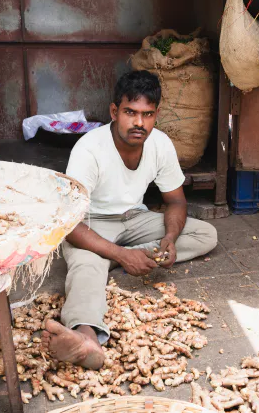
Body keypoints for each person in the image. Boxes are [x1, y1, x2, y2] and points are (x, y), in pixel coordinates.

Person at [42, 70, 217, 369]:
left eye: (147, 114)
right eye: (130, 113)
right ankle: (86, 337)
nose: (139, 123)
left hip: (136, 219)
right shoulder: (89, 149)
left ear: (156, 115)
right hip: (90, 224)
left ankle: (107, 260)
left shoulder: (160, 144)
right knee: (86, 265)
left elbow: (175, 200)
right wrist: (123, 254)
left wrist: (169, 239)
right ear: (114, 111)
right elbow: (68, 223)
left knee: (205, 235)